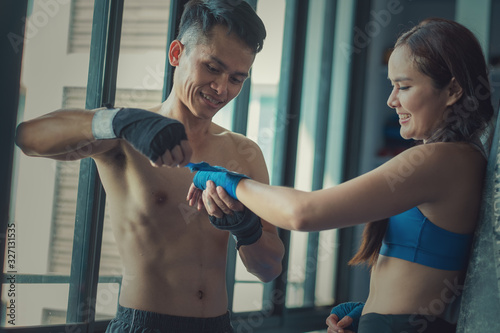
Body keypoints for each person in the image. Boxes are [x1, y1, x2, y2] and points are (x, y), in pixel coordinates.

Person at [187, 18, 495, 333]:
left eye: (404, 86)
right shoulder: (461, 159)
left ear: (453, 89)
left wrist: (227, 180)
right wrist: (371, 312)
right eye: (392, 86)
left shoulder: (441, 159)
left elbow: (303, 213)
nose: (391, 100)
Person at [15, 0, 285, 332]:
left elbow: (269, 268)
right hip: (144, 324)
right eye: (212, 68)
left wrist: (246, 228)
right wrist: (119, 120)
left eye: (236, 78)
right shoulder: (127, 137)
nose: (221, 88)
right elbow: (28, 137)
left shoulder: (245, 153)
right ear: (176, 54)